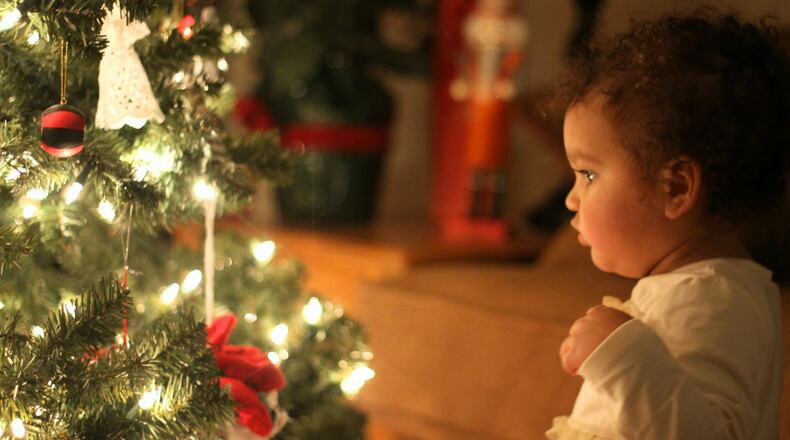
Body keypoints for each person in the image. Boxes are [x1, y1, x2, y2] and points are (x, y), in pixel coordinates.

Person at [545, 11, 789, 440]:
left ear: (676, 187)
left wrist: (619, 353)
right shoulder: (696, 288)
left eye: (588, 174)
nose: (571, 198)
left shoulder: (715, 299)